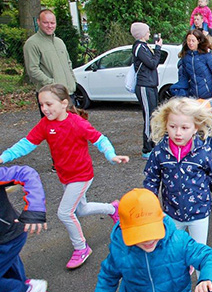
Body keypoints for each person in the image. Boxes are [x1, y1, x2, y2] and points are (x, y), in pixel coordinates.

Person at [0, 84, 129, 269]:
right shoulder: (45, 124)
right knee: (81, 209)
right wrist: (4, 156)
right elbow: (26, 144)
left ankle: (81, 247)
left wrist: (111, 155)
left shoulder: (77, 123)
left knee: (65, 213)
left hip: (81, 175)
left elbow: (100, 139)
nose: (44, 109)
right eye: (41, 105)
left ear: (64, 103)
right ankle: (112, 209)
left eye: (49, 104)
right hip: (65, 176)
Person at [92, 188, 212, 292]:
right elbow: (108, 274)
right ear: (125, 229)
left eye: (151, 231)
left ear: (161, 219)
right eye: (141, 234)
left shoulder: (178, 241)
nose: (148, 240)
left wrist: (207, 278)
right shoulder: (120, 249)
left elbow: (209, 257)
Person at [143, 97, 212, 292]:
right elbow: (151, 179)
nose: (178, 132)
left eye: (184, 127)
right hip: (171, 214)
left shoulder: (202, 152)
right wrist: (148, 203)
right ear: (166, 125)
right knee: (169, 253)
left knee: (200, 254)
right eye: (173, 126)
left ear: (196, 127)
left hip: (199, 214)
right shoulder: (159, 152)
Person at [1, 165, 56, 292]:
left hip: (8, 237)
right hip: (7, 236)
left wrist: (34, 209)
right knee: (10, 274)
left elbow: (25, 173)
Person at [23, 9, 77, 112]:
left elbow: (68, 64)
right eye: (45, 22)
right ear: (38, 22)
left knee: (71, 126)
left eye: (52, 23)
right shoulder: (32, 43)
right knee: (53, 127)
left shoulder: (59, 42)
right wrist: (52, 84)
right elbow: (33, 70)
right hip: (50, 96)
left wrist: (73, 82)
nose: (50, 26)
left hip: (68, 93)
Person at [130, 22, 163, 159]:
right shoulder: (139, 47)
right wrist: (158, 48)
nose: (149, 33)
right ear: (141, 33)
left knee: (154, 114)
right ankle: (147, 148)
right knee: (149, 116)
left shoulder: (144, 46)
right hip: (144, 85)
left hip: (150, 84)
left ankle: (153, 144)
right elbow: (152, 63)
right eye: (147, 31)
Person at [171, 29, 212, 100]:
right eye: (189, 40)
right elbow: (184, 77)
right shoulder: (185, 57)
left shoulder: (206, 55)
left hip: (209, 96)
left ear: (198, 41)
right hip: (193, 96)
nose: (190, 43)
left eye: (193, 41)